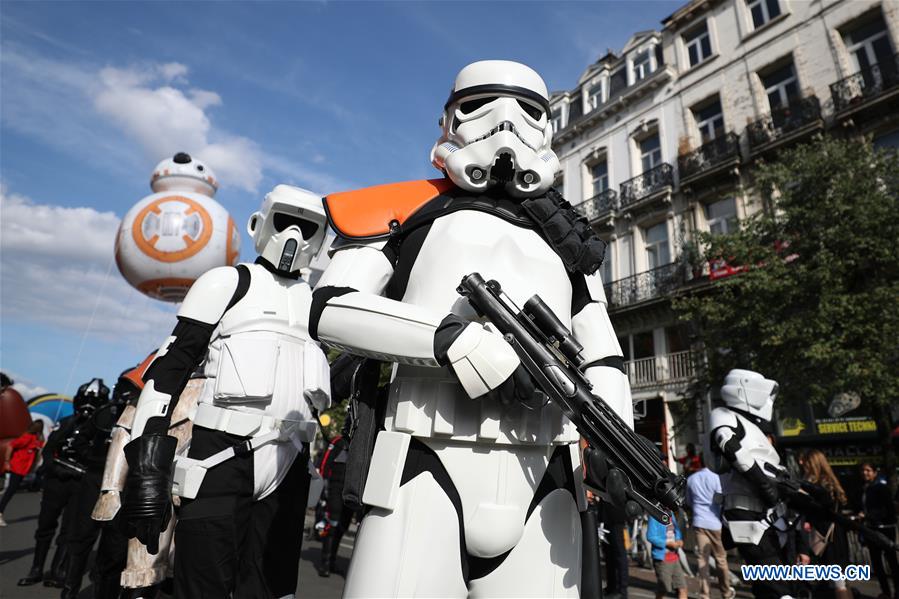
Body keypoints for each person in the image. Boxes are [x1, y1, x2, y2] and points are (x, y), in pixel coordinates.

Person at [311, 59, 633, 597]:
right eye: (480, 104)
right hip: (423, 459)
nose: (505, 123)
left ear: (547, 127)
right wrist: (451, 341)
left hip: (546, 470)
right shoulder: (406, 211)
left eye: (529, 110)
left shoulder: (571, 243)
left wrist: (616, 439)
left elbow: (602, 353)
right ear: (449, 121)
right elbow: (331, 308)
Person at [120, 184, 331, 598]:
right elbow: (168, 372)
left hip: (291, 464)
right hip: (220, 458)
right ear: (260, 224)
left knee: (271, 589)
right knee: (202, 586)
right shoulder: (227, 283)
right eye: (284, 222)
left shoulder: (319, 302)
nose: (294, 237)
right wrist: (148, 472)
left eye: (307, 228)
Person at [709, 369, 809, 599]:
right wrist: (765, 486)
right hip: (749, 522)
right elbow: (730, 446)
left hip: (773, 521)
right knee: (777, 589)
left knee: (772, 587)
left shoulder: (751, 427)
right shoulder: (723, 415)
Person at [17, 385, 93, 588]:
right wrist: (56, 470)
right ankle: (36, 568)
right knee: (45, 525)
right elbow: (49, 451)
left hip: (78, 486)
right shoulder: (66, 423)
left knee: (68, 530)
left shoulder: (97, 431)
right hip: (56, 483)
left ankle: (58, 570)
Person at [798, 449, 851, 599]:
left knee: (838, 583)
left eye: (807, 463)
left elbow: (817, 509)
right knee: (842, 582)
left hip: (826, 538)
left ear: (813, 463)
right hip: (834, 535)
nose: (804, 465)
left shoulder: (818, 486)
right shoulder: (831, 482)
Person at [685, 462, 733, 599]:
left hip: (699, 521)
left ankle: (705, 594)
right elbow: (722, 500)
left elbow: (688, 501)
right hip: (715, 522)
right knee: (721, 559)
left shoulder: (691, 479)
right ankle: (726, 591)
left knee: (702, 560)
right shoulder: (717, 478)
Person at [859, 462, 899, 599]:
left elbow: (887, 509)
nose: (865, 473)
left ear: (875, 472)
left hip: (885, 529)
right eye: (863, 470)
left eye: (868, 470)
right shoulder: (865, 488)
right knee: (877, 563)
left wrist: (868, 515)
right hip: (871, 529)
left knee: (892, 562)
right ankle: (885, 592)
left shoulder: (881, 488)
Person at [0, 420, 45, 525]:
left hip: (23, 469)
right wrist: (7, 461)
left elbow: (41, 445)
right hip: (17, 467)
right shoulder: (26, 438)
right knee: (10, 491)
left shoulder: (34, 439)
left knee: (11, 490)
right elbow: (11, 446)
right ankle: (0, 512)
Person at [647, 511, 687, 599]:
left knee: (682, 588)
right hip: (662, 558)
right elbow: (650, 536)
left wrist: (678, 539)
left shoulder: (670, 513)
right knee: (664, 589)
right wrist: (667, 543)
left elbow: (675, 530)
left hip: (674, 557)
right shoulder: (654, 514)